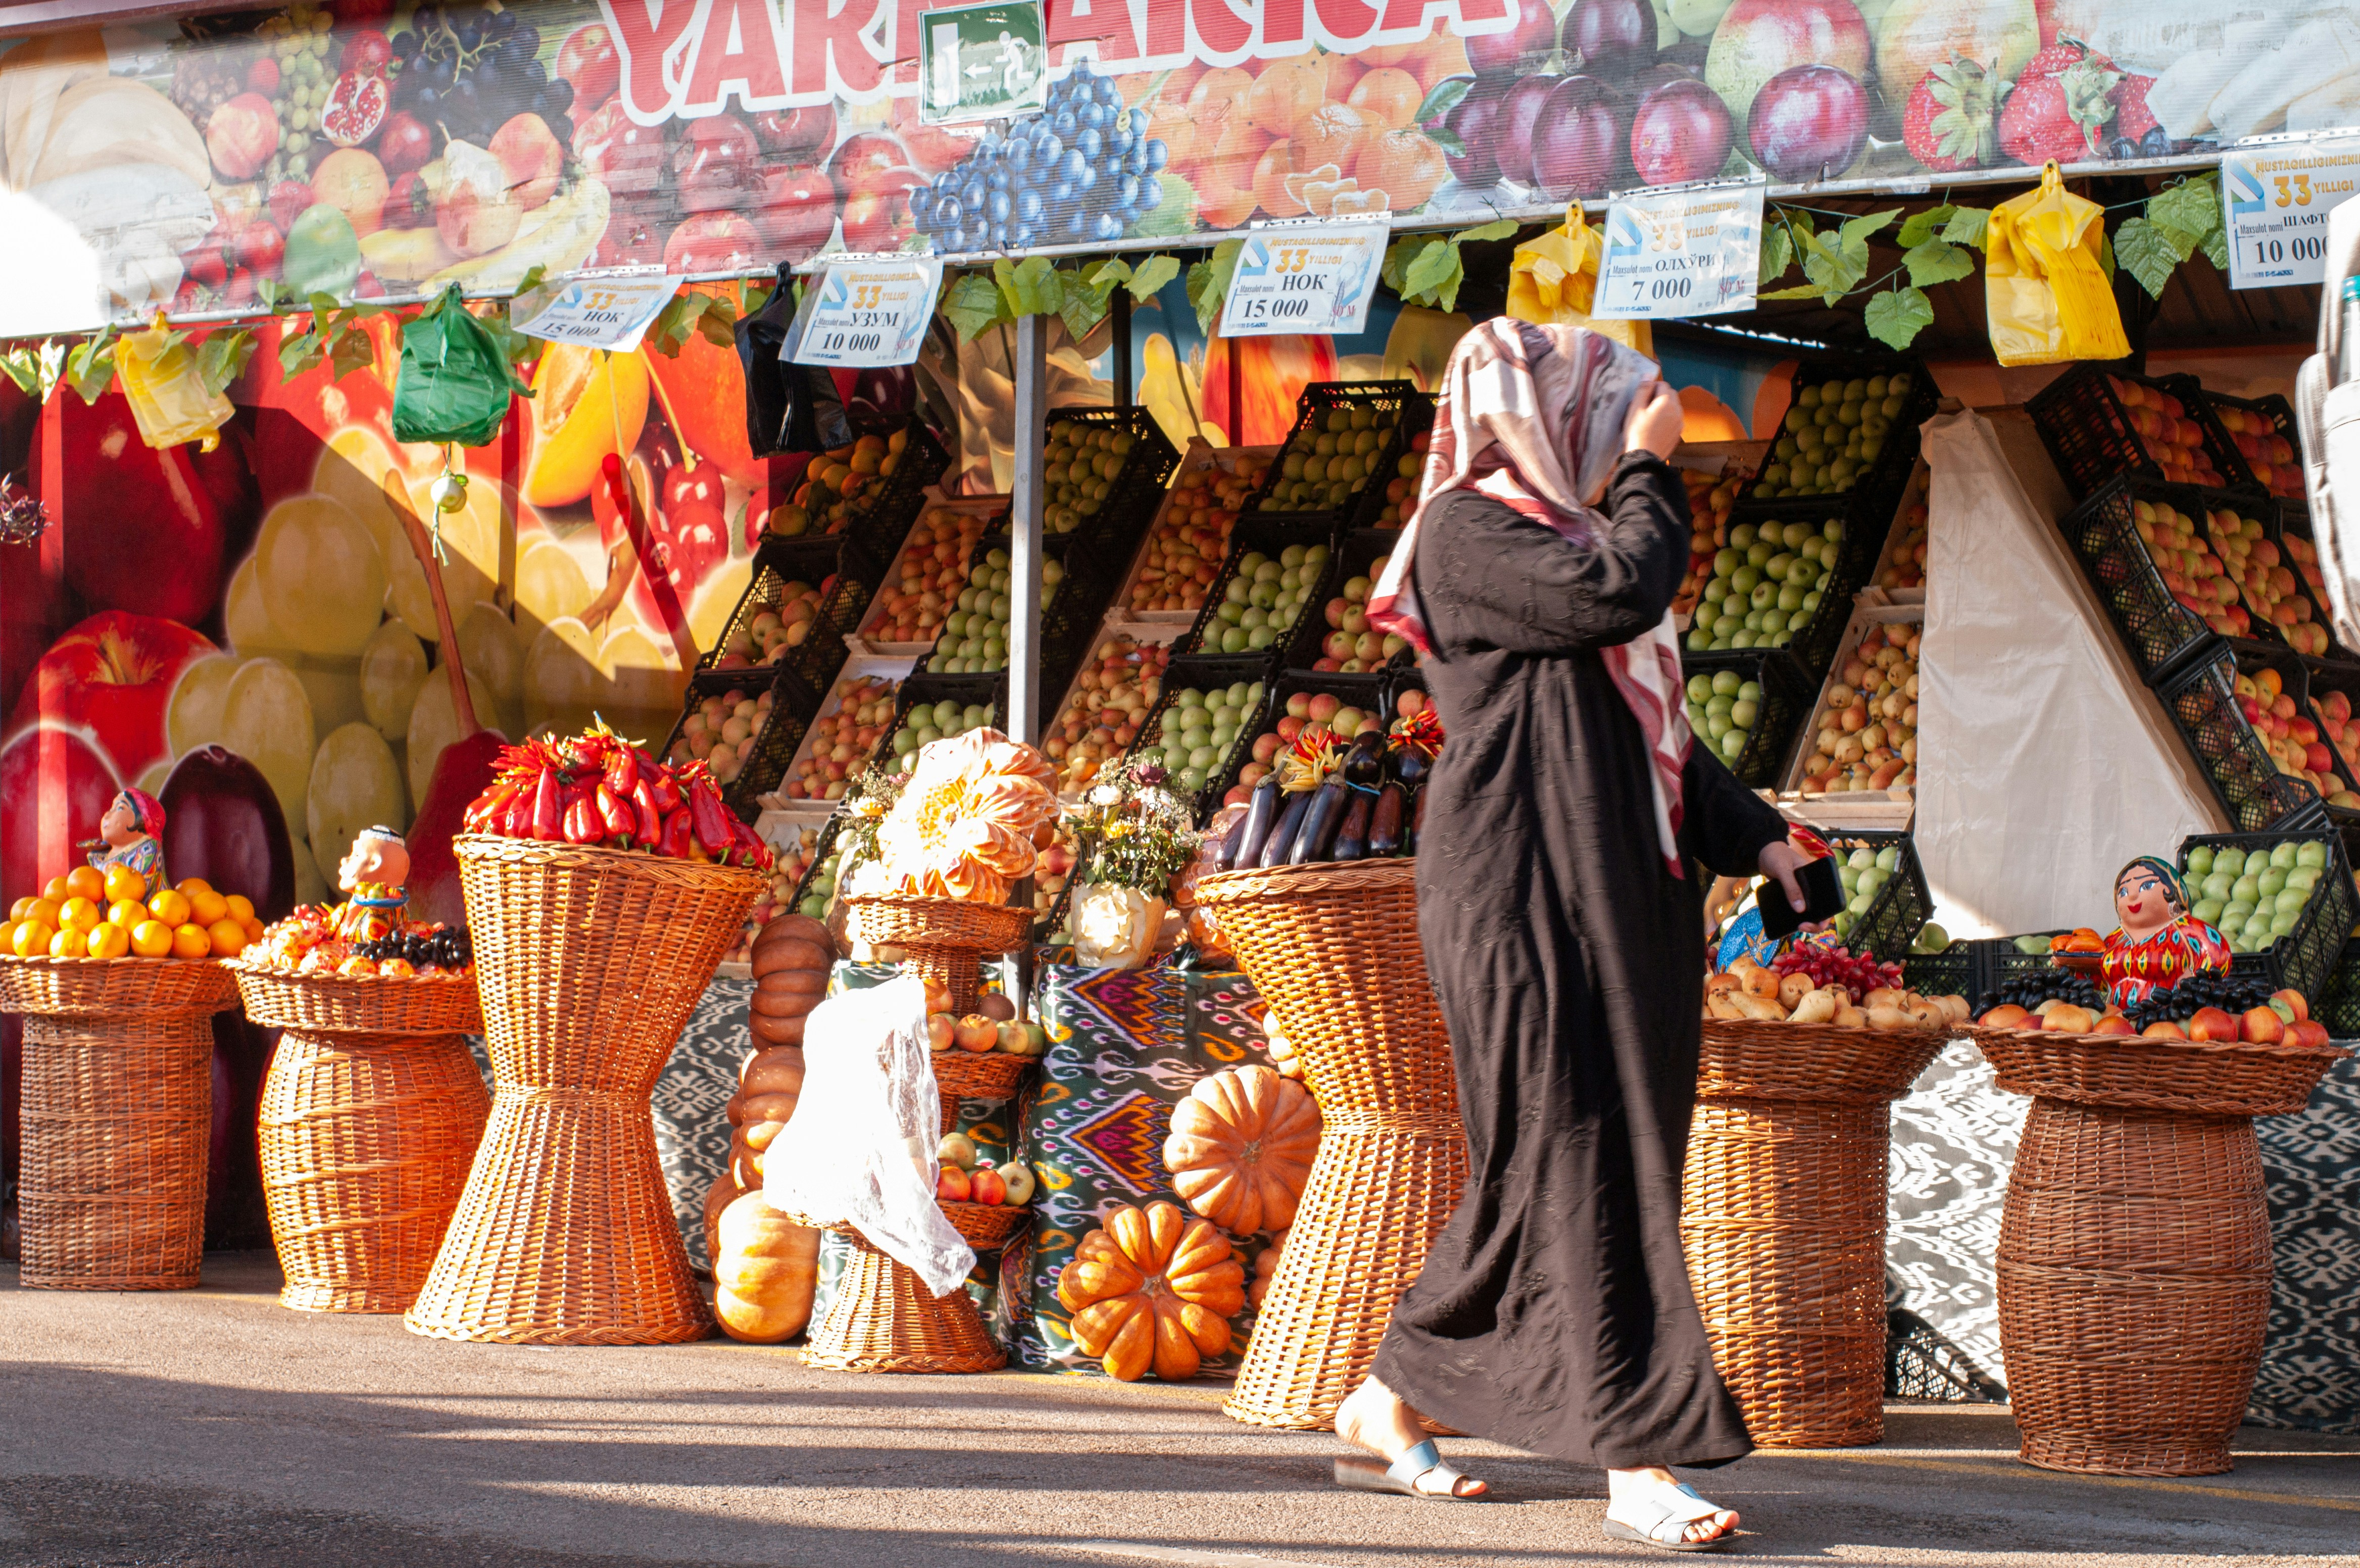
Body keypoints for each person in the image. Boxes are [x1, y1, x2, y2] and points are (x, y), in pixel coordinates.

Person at [1342, 320, 1808, 1553]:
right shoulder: (1468, 532)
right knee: (1584, 1149)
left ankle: (1389, 1391)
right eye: (1604, 419)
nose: (1618, 438)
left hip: (1619, 891)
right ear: (1531, 418)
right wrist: (1657, 472)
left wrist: (1756, 833)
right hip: (1522, 892)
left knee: (1559, 1158)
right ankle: (1638, 1462)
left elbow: (1654, 733)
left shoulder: (1567, 540)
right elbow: (1622, 595)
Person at [2101, 855, 2229, 1007]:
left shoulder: (2187, 929)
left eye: (2146, 886)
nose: (2133, 896)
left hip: (2168, 1021)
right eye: (2123, 892)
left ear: (2171, 889)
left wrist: (2194, 993)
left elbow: (2219, 957)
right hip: (2116, 1024)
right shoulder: (2115, 939)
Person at [332, 827, 411, 945]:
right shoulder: (348, 907)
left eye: (357, 855)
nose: (344, 860)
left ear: (375, 864)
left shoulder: (382, 913)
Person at [86, 787, 167, 890]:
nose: (107, 814)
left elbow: (136, 887)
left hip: (145, 905)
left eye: (120, 808)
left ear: (141, 819)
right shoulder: (103, 856)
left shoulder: (149, 849)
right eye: (112, 809)